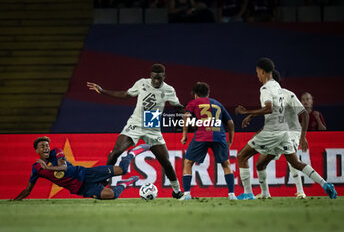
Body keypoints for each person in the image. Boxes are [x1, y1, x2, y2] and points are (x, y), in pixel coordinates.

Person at [235, 58, 337, 200]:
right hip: (284, 132)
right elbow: (275, 111)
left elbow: (270, 109)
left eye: (258, 73)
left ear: (263, 72)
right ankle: (325, 184)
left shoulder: (265, 89)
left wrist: (247, 113)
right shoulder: (278, 87)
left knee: (242, 156)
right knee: (290, 163)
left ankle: (248, 193)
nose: (257, 76)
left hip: (275, 132)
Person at [87, 63, 184, 199]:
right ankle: (101, 185)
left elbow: (178, 106)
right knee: (116, 152)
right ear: (150, 75)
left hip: (152, 125)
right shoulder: (142, 83)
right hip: (136, 123)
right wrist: (102, 91)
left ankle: (177, 190)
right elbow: (125, 94)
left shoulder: (169, 90)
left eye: (159, 79)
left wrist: (187, 111)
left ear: (164, 77)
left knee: (165, 161)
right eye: (154, 78)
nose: (156, 81)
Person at [14, 136, 148, 201]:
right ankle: (124, 184)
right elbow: (27, 190)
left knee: (122, 170)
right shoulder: (37, 168)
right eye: (42, 146)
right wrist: (15, 201)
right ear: (36, 150)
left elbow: (64, 167)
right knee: (112, 195)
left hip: (85, 174)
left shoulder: (56, 152)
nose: (46, 148)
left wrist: (48, 168)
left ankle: (131, 154)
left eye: (47, 145)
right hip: (81, 188)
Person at [254, 70, 308, 199]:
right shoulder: (267, 98)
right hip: (276, 133)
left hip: (292, 132)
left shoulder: (288, 95)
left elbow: (303, 113)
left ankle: (300, 192)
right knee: (261, 163)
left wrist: (302, 136)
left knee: (292, 160)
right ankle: (265, 193)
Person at [180, 82, 236, 200]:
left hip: (202, 135)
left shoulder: (193, 102)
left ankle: (186, 194)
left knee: (188, 162)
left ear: (195, 95)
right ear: (208, 93)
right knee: (226, 164)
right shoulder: (218, 104)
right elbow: (230, 123)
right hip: (219, 136)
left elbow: (186, 116)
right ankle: (232, 194)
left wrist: (184, 135)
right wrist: (230, 140)